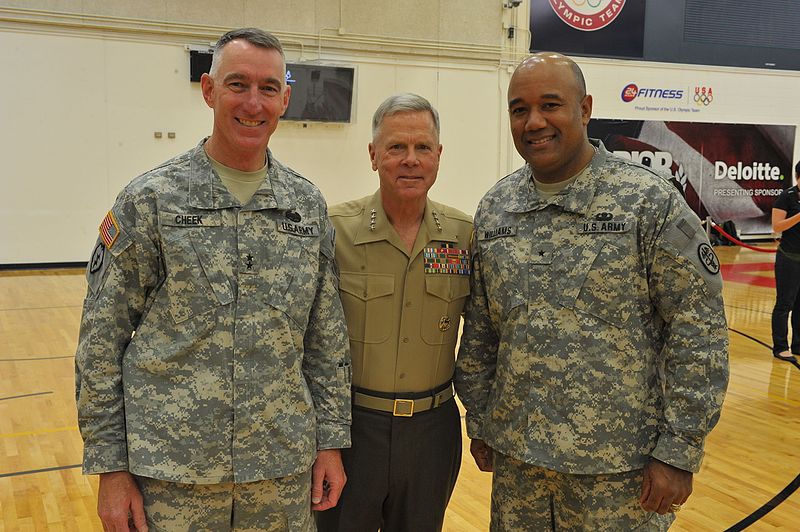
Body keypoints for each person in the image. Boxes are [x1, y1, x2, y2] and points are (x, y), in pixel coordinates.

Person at [75, 27, 351, 531]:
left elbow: (325, 340)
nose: (253, 102)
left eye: (268, 88)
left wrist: (331, 442)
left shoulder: (306, 206)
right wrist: (111, 469)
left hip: (279, 470)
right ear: (208, 90)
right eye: (237, 84)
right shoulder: (152, 200)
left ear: (285, 99)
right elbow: (101, 342)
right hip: (172, 474)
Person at [454, 52, 729, 531]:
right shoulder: (497, 208)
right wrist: (481, 420)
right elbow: (481, 330)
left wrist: (679, 450)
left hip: (621, 474)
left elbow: (698, 333)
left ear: (585, 109)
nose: (534, 122)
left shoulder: (648, 203)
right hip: (521, 469)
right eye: (519, 109)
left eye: (551, 105)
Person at [315, 93, 472, 532]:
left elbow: (483, 337)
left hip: (432, 433)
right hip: (352, 431)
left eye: (423, 148)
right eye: (396, 148)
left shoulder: (464, 236)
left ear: (439, 156)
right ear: (373, 155)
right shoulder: (334, 230)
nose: (410, 160)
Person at [770, 161, 800, 361]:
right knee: (784, 304)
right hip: (789, 258)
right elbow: (777, 226)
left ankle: (798, 344)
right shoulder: (786, 197)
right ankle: (780, 346)